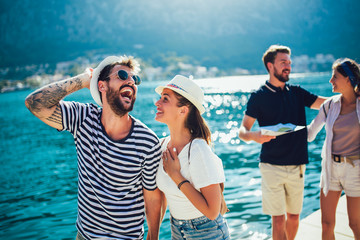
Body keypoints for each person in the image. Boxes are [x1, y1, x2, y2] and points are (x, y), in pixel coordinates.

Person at [25, 56, 163, 240]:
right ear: (102, 85)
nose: (131, 81)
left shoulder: (148, 141)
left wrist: (153, 238)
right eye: (122, 75)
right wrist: (82, 80)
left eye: (134, 79)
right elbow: (35, 103)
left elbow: (152, 197)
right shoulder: (83, 119)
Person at [238, 45, 326, 240]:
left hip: (298, 165)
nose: (288, 66)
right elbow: (242, 131)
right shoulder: (258, 97)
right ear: (270, 66)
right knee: (278, 220)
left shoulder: (297, 92)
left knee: (294, 217)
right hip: (271, 166)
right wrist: (254, 136)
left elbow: (325, 103)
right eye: (283, 62)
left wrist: (350, 97)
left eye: (289, 63)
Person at [154, 75, 230, 240]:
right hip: (176, 228)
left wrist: (176, 176)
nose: (157, 103)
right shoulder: (161, 145)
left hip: (207, 231)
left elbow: (212, 211)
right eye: (160, 98)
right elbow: (163, 197)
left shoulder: (198, 151)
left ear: (183, 110)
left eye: (165, 99)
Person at [307, 58, 360, 240]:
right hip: (331, 170)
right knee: (326, 224)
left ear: (348, 79)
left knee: (355, 224)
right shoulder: (329, 105)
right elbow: (310, 133)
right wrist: (283, 131)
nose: (331, 80)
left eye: (334, 76)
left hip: (356, 170)